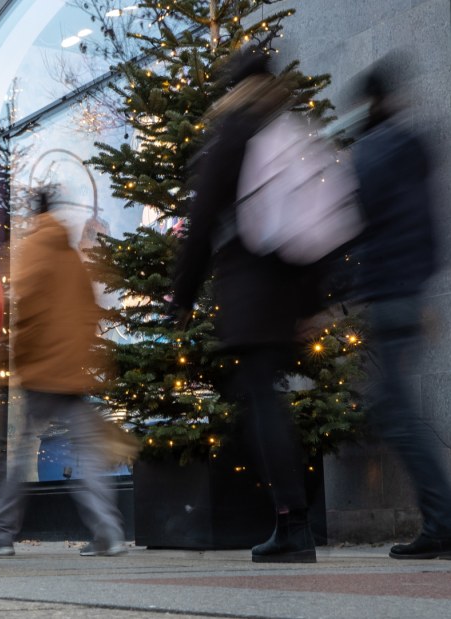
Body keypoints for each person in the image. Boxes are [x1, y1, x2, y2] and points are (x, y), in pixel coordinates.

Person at [172, 51, 318, 563]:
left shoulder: (233, 133)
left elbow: (202, 216)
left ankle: (291, 523)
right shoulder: (282, 129)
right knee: (262, 400)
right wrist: (308, 302)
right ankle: (292, 520)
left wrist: (182, 295)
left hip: (250, 295)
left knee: (258, 406)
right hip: (281, 295)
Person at [0, 188, 126, 557]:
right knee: (88, 452)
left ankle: (1, 535)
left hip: (43, 371)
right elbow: (89, 311)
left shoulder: (35, 249)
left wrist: (22, 363)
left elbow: (29, 313)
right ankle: (108, 532)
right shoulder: (70, 256)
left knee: (20, 453)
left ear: (33, 214)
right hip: (72, 370)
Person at [351, 57, 451, 560]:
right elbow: (431, 231)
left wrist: (352, 290)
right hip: (409, 292)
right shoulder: (413, 147)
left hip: (389, 295)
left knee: (396, 413)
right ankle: (442, 519)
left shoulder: (371, 151)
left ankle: (442, 521)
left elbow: (357, 227)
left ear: (371, 102)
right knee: (400, 409)